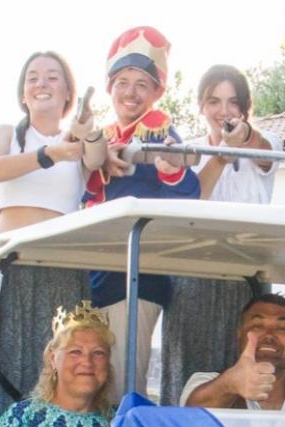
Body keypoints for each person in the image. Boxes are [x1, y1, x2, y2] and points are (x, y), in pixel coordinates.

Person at [0, 50, 106, 417]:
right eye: (33, 77)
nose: (41, 83)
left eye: (52, 76)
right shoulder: (8, 134)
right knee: (5, 368)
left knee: (61, 372)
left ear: (68, 92)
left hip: (62, 270)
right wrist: (49, 153)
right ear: (22, 93)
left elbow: (96, 159)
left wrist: (87, 128)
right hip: (11, 264)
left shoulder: (78, 138)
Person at [83, 26, 200, 401]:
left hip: (136, 274)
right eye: (123, 82)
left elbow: (188, 195)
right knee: (90, 382)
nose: (131, 93)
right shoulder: (103, 137)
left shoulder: (160, 132)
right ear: (110, 87)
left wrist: (169, 166)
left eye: (141, 85)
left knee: (120, 386)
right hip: (96, 275)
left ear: (156, 92)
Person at [161, 65, 283, 405]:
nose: (223, 111)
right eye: (214, 101)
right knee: (189, 375)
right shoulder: (188, 152)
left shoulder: (268, 143)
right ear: (201, 106)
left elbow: (259, 150)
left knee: (246, 375)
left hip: (247, 278)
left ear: (244, 108)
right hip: (193, 278)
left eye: (232, 102)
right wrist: (218, 156)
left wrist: (241, 138)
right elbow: (191, 199)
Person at [180, 293, 285, 412]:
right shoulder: (205, 383)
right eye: (257, 326)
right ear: (239, 335)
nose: (269, 335)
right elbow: (189, 417)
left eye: (282, 328)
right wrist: (230, 384)